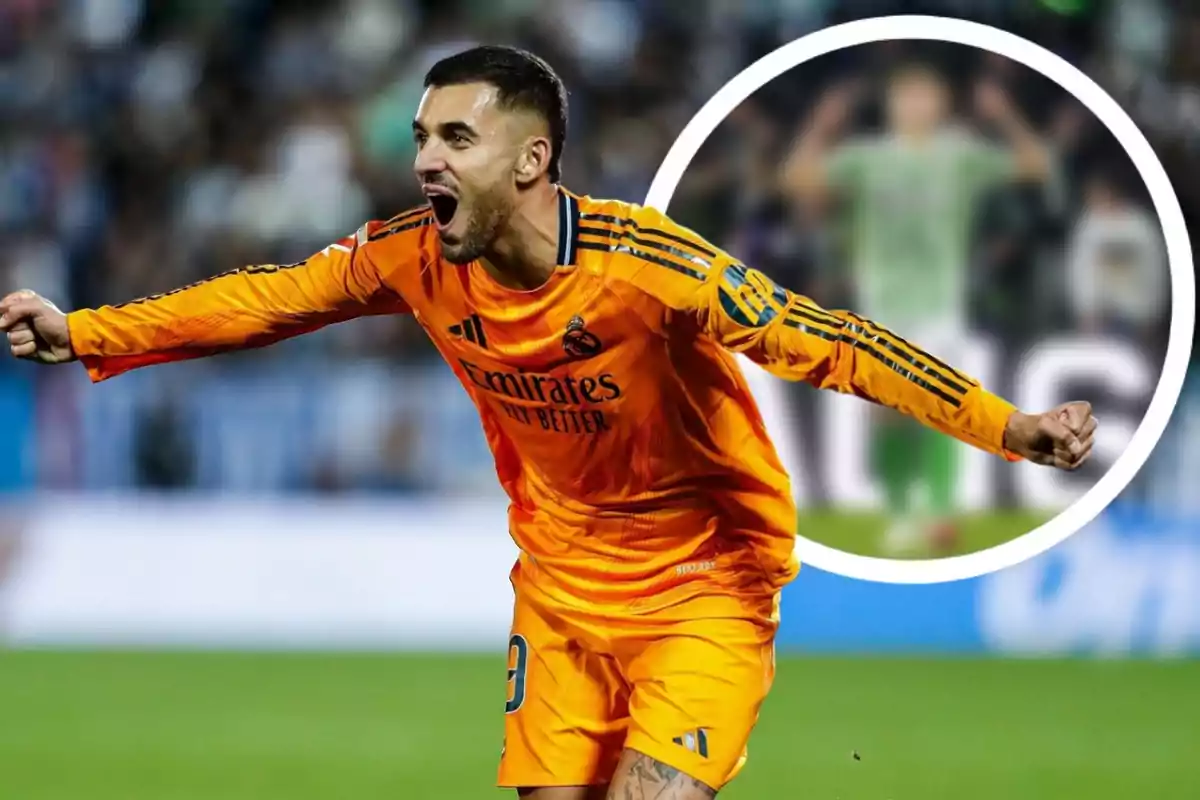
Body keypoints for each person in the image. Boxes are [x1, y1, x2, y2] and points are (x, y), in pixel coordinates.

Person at [0, 46, 1095, 799]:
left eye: (456, 138)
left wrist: (1008, 426)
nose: (425, 157)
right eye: (423, 135)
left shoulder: (649, 267)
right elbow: (268, 297)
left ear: (530, 160)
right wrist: (89, 329)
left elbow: (836, 340)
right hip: (560, 594)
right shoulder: (415, 254)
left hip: (703, 585)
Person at [782, 62, 1055, 555]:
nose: (914, 106)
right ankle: (904, 511)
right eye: (906, 97)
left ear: (941, 105)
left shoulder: (960, 155)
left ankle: (939, 513)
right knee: (887, 416)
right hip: (880, 306)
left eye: (924, 96)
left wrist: (1005, 116)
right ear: (892, 106)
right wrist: (822, 125)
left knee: (939, 406)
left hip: (938, 305)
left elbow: (1036, 165)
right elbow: (798, 180)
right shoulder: (866, 158)